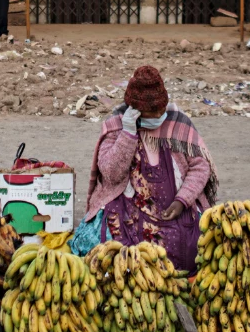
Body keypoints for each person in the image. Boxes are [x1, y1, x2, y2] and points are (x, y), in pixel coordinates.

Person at [83, 66, 219, 272]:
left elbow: (200, 167)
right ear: (134, 110)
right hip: (126, 208)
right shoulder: (117, 127)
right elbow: (111, 174)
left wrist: (183, 200)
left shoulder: (178, 123)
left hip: (173, 207)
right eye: (151, 112)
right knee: (111, 252)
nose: (158, 115)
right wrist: (128, 134)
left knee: (193, 247)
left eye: (161, 110)